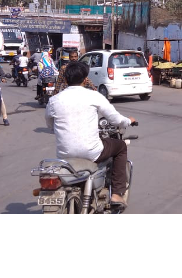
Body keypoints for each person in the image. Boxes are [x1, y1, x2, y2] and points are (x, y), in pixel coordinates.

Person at [45, 61, 135, 207]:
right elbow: (115, 119)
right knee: (120, 147)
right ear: (85, 79)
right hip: (92, 152)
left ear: (66, 80)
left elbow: (50, 124)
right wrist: (128, 121)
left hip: (64, 155)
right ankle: (117, 194)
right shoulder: (94, 96)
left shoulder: (54, 100)